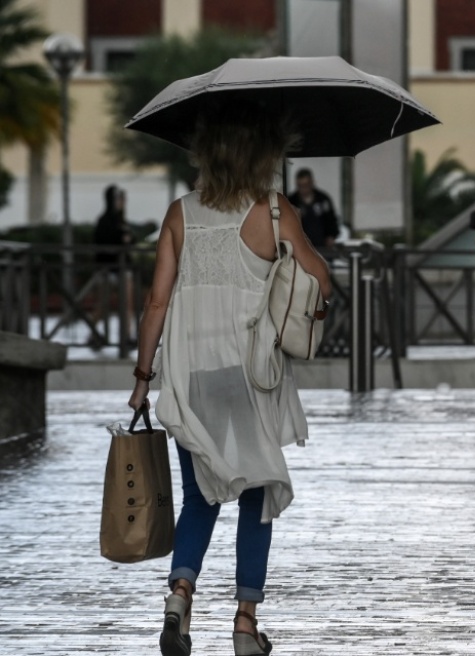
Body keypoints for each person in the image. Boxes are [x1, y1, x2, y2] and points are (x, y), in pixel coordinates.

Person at [127, 100, 331, 656]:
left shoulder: (180, 213)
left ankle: (180, 596)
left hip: (191, 376)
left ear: (206, 154)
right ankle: (244, 622)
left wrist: (144, 379)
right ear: (263, 154)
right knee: (258, 495)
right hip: (250, 375)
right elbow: (321, 282)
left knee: (199, 497)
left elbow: (155, 303)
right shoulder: (272, 210)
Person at [92, 184, 135, 343]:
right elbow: (102, 242)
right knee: (102, 304)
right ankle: (93, 333)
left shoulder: (122, 220)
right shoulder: (104, 221)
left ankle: (127, 335)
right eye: (119, 198)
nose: (122, 202)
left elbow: (131, 240)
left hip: (123, 268)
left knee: (127, 304)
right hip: (107, 268)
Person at [286, 168, 340, 250]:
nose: (304, 189)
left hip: (322, 245)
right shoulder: (292, 201)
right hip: (300, 246)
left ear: (312, 183)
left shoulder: (323, 199)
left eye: (306, 185)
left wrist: (331, 236)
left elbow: (331, 220)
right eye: (301, 186)